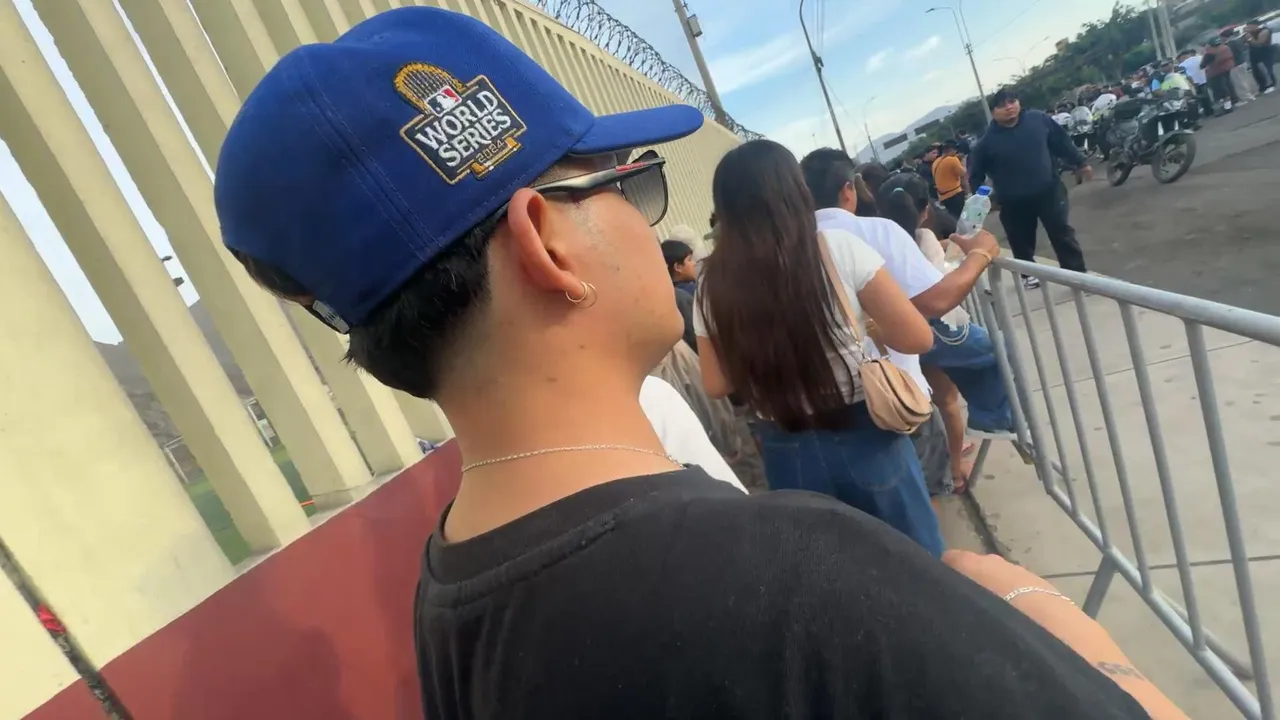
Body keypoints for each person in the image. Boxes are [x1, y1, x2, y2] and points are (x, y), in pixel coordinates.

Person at [216, 8, 1189, 720]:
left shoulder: (452, 593)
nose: (658, 225)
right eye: (629, 183)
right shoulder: (796, 581)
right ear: (546, 244)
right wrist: (1067, 637)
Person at [694, 139, 944, 553]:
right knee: (915, 559)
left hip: (783, 445)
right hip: (866, 434)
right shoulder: (835, 247)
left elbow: (717, 383)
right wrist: (863, 327)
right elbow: (918, 337)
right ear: (795, 190)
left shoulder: (709, 282)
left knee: (829, 571)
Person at [800, 147, 1002, 499]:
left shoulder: (787, 250)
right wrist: (980, 255)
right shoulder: (876, 232)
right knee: (921, 499)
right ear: (848, 189)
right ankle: (995, 422)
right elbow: (936, 301)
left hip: (824, 407)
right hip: (894, 395)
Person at [876, 173, 1016, 492]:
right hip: (941, 327)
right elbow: (941, 283)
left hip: (906, 333)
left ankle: (947, 470)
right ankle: (994, 421)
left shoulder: (878, 240)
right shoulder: (923, 236)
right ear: (925, 209)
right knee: (998, 352)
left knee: (940, 400)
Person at [968, 88, 1090, 288]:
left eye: (1012, 102)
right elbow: (975, 177)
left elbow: (1061, 143)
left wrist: (1080, 163)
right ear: (993, 112)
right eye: (1002, 105)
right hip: (1013, 201)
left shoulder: (1038, 120)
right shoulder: (985, 144)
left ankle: (1077, 274)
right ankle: (1028, 275)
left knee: (1061, 231)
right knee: (1020, 239)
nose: (1009, 107)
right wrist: (985, 200)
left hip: (1048, 190)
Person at [661, 239, 699, 352]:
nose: (694, 263)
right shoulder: (690, 292)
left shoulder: (666, 295)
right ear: (678, 267)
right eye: (690, 260)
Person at [932, 139, 969, 220]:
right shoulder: (952, 160)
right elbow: (963, 173)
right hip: (955, 194)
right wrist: (963, 162)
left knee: (955, 218)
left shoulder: (935, 162)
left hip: (943, 197)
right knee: (963, 218)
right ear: (951, 149)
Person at [1201, 37, 1238, 113]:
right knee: (1228, 85)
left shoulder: (1210, 52)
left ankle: (1227, 107)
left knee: (1221, 90)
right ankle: (1233, 101)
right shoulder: (1225, 48)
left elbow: (1202, 65)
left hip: (1215, 72)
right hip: (1226, 69)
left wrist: (1205, 52)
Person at [1222, 29, 1259, 103]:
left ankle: (1246, 97)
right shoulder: (1237, 40)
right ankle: (1250, 94)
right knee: (1244, 79)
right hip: (1242, 62)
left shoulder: (1230, 44)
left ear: (1225, 36)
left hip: (1235, 64)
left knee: (1239, 82)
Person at [1247, 20, 1276, 93]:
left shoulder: (1264, 31)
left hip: (1264, 53)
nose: (1248, 29)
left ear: (1255, 25)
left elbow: (1259, 43)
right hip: (1254, 54)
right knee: (1256, 72)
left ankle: (1271, 85)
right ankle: (1262, 87)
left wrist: (1250, 38)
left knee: (1265, 70)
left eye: (1250, 27)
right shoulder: (1251, 33)